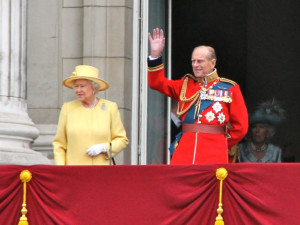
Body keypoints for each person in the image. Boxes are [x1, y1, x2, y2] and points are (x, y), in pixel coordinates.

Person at [148, 28, 248, 164]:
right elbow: (156, 83)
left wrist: (220, 143)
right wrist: (155, 55)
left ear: (212, 63)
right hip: (184, 154)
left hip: (214, 155)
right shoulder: (185, 85)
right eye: (193, 61)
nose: (195, 65)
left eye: (200, 61)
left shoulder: (230, 88)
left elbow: (241, 127)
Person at [53, 65, 129, 165]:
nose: (78, 90)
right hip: (74, 172)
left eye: (82, 86)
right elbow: (59, 144)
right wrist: (61, 170)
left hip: (101, 172)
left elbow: (122, 140)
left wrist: (104, 148)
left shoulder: (110, 108)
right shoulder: (67, 108)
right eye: (76, 86)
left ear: (94, 88)